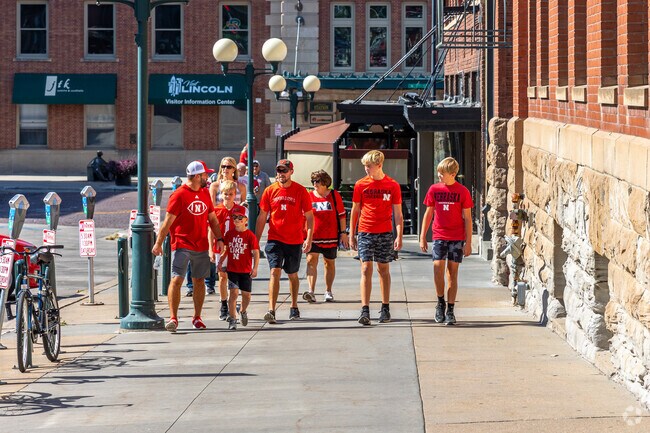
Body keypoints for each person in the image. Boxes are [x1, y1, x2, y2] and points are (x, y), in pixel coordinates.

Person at [153, 161, 224, 332]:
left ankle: (197, 317)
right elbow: (167, 222)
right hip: (182, 244)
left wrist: (219, 238)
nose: (207, 177)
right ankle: (173, 318)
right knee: (177, 279)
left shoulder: (205, 193)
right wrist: (158, 243)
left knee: (199, 280)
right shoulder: (178, 195)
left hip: (201, 244)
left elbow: (213, 219)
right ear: (198, 176)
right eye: (205, 174)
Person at [256, 159, 314, 323]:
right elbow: (262, 217)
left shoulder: (300, 191)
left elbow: (309, 217)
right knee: (275, 271)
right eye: (279, 171)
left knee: (292, 274)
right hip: (275, 239)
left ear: (291, 172)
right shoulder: (269, 191)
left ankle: (294, 306)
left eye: (284, 171)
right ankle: (271, 309)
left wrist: (308, 238)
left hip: (294, 239)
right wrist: (256, 240)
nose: (281, 174)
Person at [349, 150, 403, 325]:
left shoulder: (392, 185)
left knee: (383, 269)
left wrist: (399, 234)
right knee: (365, 269)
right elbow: (355, 210)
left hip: (385, 232)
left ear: (379, 165)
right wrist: (352, 234)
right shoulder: (360, 184)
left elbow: (398, 213)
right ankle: (365, 309)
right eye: (364, 166)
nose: (366, 169)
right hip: (365, 231)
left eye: (369, 166)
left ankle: (385, 307)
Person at [419, 157, 473, 325]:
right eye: (438, 172)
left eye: (442, 173)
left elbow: (468, 218)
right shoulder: (434, 189)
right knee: (437, 268)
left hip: (456, 237)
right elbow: (428, 213)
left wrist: (469, 242)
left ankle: (450, 309)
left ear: (453, 174)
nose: (439, 176)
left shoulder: (462, 191)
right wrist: (423, 236)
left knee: (452, 273)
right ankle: (440, 302)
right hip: (439, 235)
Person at [303, 170, 348, 303]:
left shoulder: (334, 195)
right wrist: (304, 236)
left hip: (330, 236)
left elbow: (341, 215)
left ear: (325, 182)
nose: (315, 184)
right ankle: (311, 291)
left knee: (329, 263)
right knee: (311, 260)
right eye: (313, 181)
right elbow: (304, 216)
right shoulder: (309, 196)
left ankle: (328, 290)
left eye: (317, 181)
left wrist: (343, 233)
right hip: (313, 235)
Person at [209, 180, 248, 321]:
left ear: (235, 195)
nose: (228, 196)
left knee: (235, 276)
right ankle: (224, 303)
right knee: (222, 276)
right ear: (221, 194)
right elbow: (211, 230)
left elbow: (244, 229)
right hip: (220, 247)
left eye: (231, 194)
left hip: (235, 247)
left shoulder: (240, 210)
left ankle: (234, 302)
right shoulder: (217, 210)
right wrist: (210, 250)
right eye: (225, 194)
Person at [217, 208, 260, 330]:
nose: (237, 220)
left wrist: (255, 268)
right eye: (234, 217)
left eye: (240, 218)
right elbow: (226, 249)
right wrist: (220, 261)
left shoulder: (250, 236)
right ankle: (232, 318)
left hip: (245, 270)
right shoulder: (229, 234)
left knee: (246, 295)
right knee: (233, 293)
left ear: (246, 220)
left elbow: (256, 253)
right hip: (232, 269)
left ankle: (243, 311)